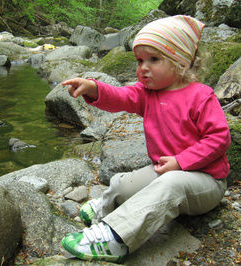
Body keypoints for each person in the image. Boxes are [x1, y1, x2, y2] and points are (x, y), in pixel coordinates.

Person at [61, 15, 231, 263]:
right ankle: (105, 208)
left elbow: (219, 138)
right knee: (121, 184)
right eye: (139, 60)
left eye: (154, 59)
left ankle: (116, 238)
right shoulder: (147, 93)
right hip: (166, 171)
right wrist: (93, 87)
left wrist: (181, 161)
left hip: (206, 182)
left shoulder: (200, 96)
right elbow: (120, 96)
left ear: (181, 61)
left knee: (172, 183)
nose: (143, 67)